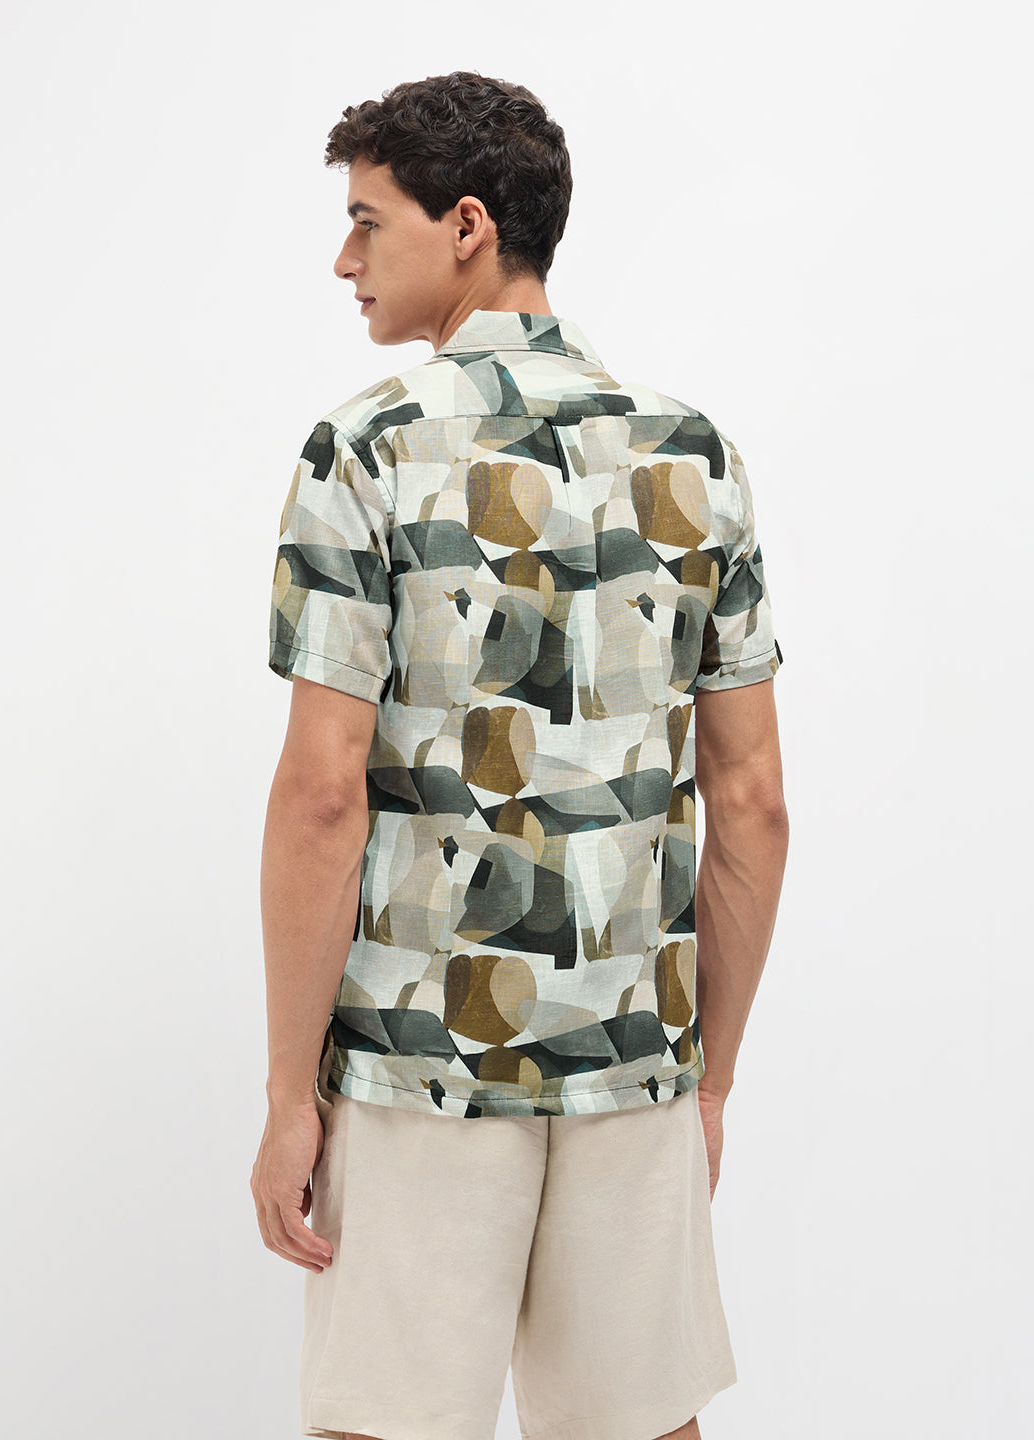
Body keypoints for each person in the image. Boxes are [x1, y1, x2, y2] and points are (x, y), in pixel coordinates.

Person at [250, 70, 789, 1440]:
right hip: (632, 1050)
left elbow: (321, 797)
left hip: (418, 1058)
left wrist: (288, 1096)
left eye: (368, 220)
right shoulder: (695, 457)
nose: (345, 259)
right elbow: (754, 803)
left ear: (468, 225)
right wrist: (708, 1076)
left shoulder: (367, 451)